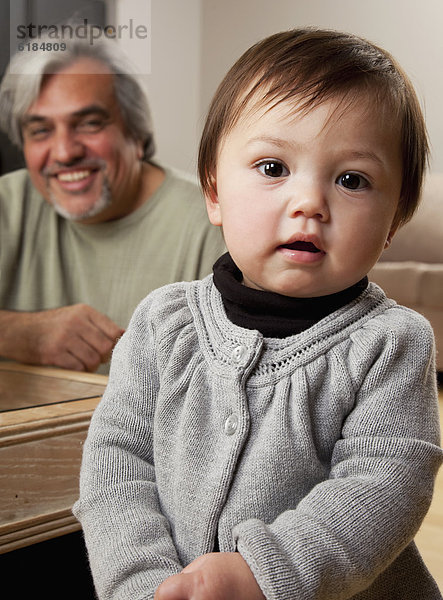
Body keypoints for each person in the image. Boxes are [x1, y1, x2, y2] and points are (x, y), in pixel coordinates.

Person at [74, 28, 443, 599]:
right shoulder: (161, 325)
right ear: (214, 192)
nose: (309, 204)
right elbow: (116, 467)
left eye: (352, 180)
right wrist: (145, 587)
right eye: (273, 168)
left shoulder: (391, 344)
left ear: (394, 219)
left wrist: (266, 574)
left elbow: (385, 484)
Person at [0, 32, 225, 374]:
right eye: (41, 131)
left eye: (89, 124)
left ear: (136, 132)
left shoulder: (214, 224)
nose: (64, 152)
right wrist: (21, 334)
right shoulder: (7, 204)